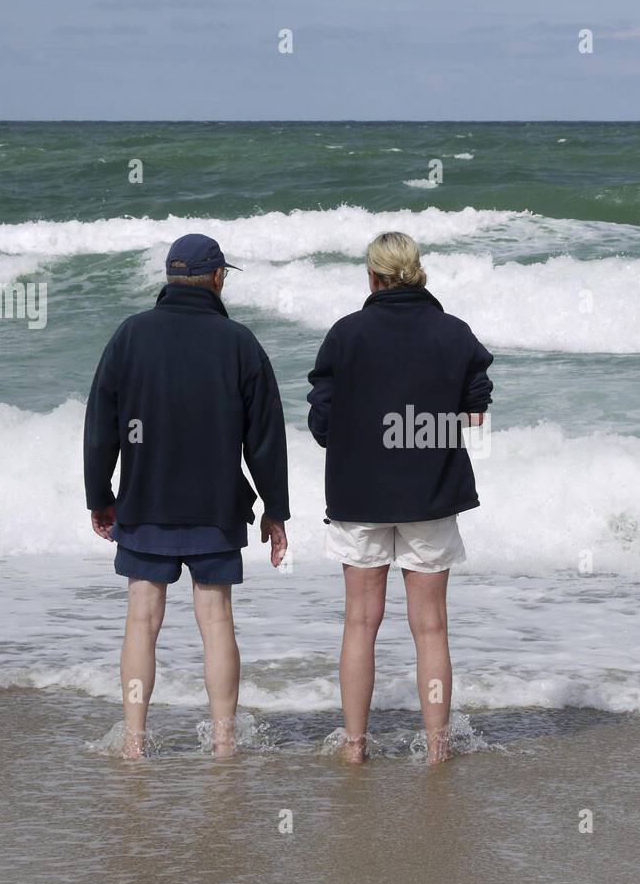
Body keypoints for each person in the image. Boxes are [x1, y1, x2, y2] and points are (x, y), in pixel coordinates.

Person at [84, 233, 289, 759]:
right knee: (216, 620)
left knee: (141, 619)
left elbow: (100, 425)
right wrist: (275, 508)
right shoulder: (239, 342)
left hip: (145, 498)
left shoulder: (130, 336)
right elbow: (265, 434)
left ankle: (134, 739)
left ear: (170, 278)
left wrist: (99, 494)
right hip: (215, 505)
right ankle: (223, 740)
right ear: (218, 278)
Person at [307, 231, 494, 764]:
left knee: (360, 623)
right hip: (430, 492)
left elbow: (322, 420)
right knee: (431, 625)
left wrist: (360, 438)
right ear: (418, 272)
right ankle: (437, 749)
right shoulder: (454, 333)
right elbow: (474, 415)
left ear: (373, 276)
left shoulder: (347, 334)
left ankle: (354, 747)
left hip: (358, 493)